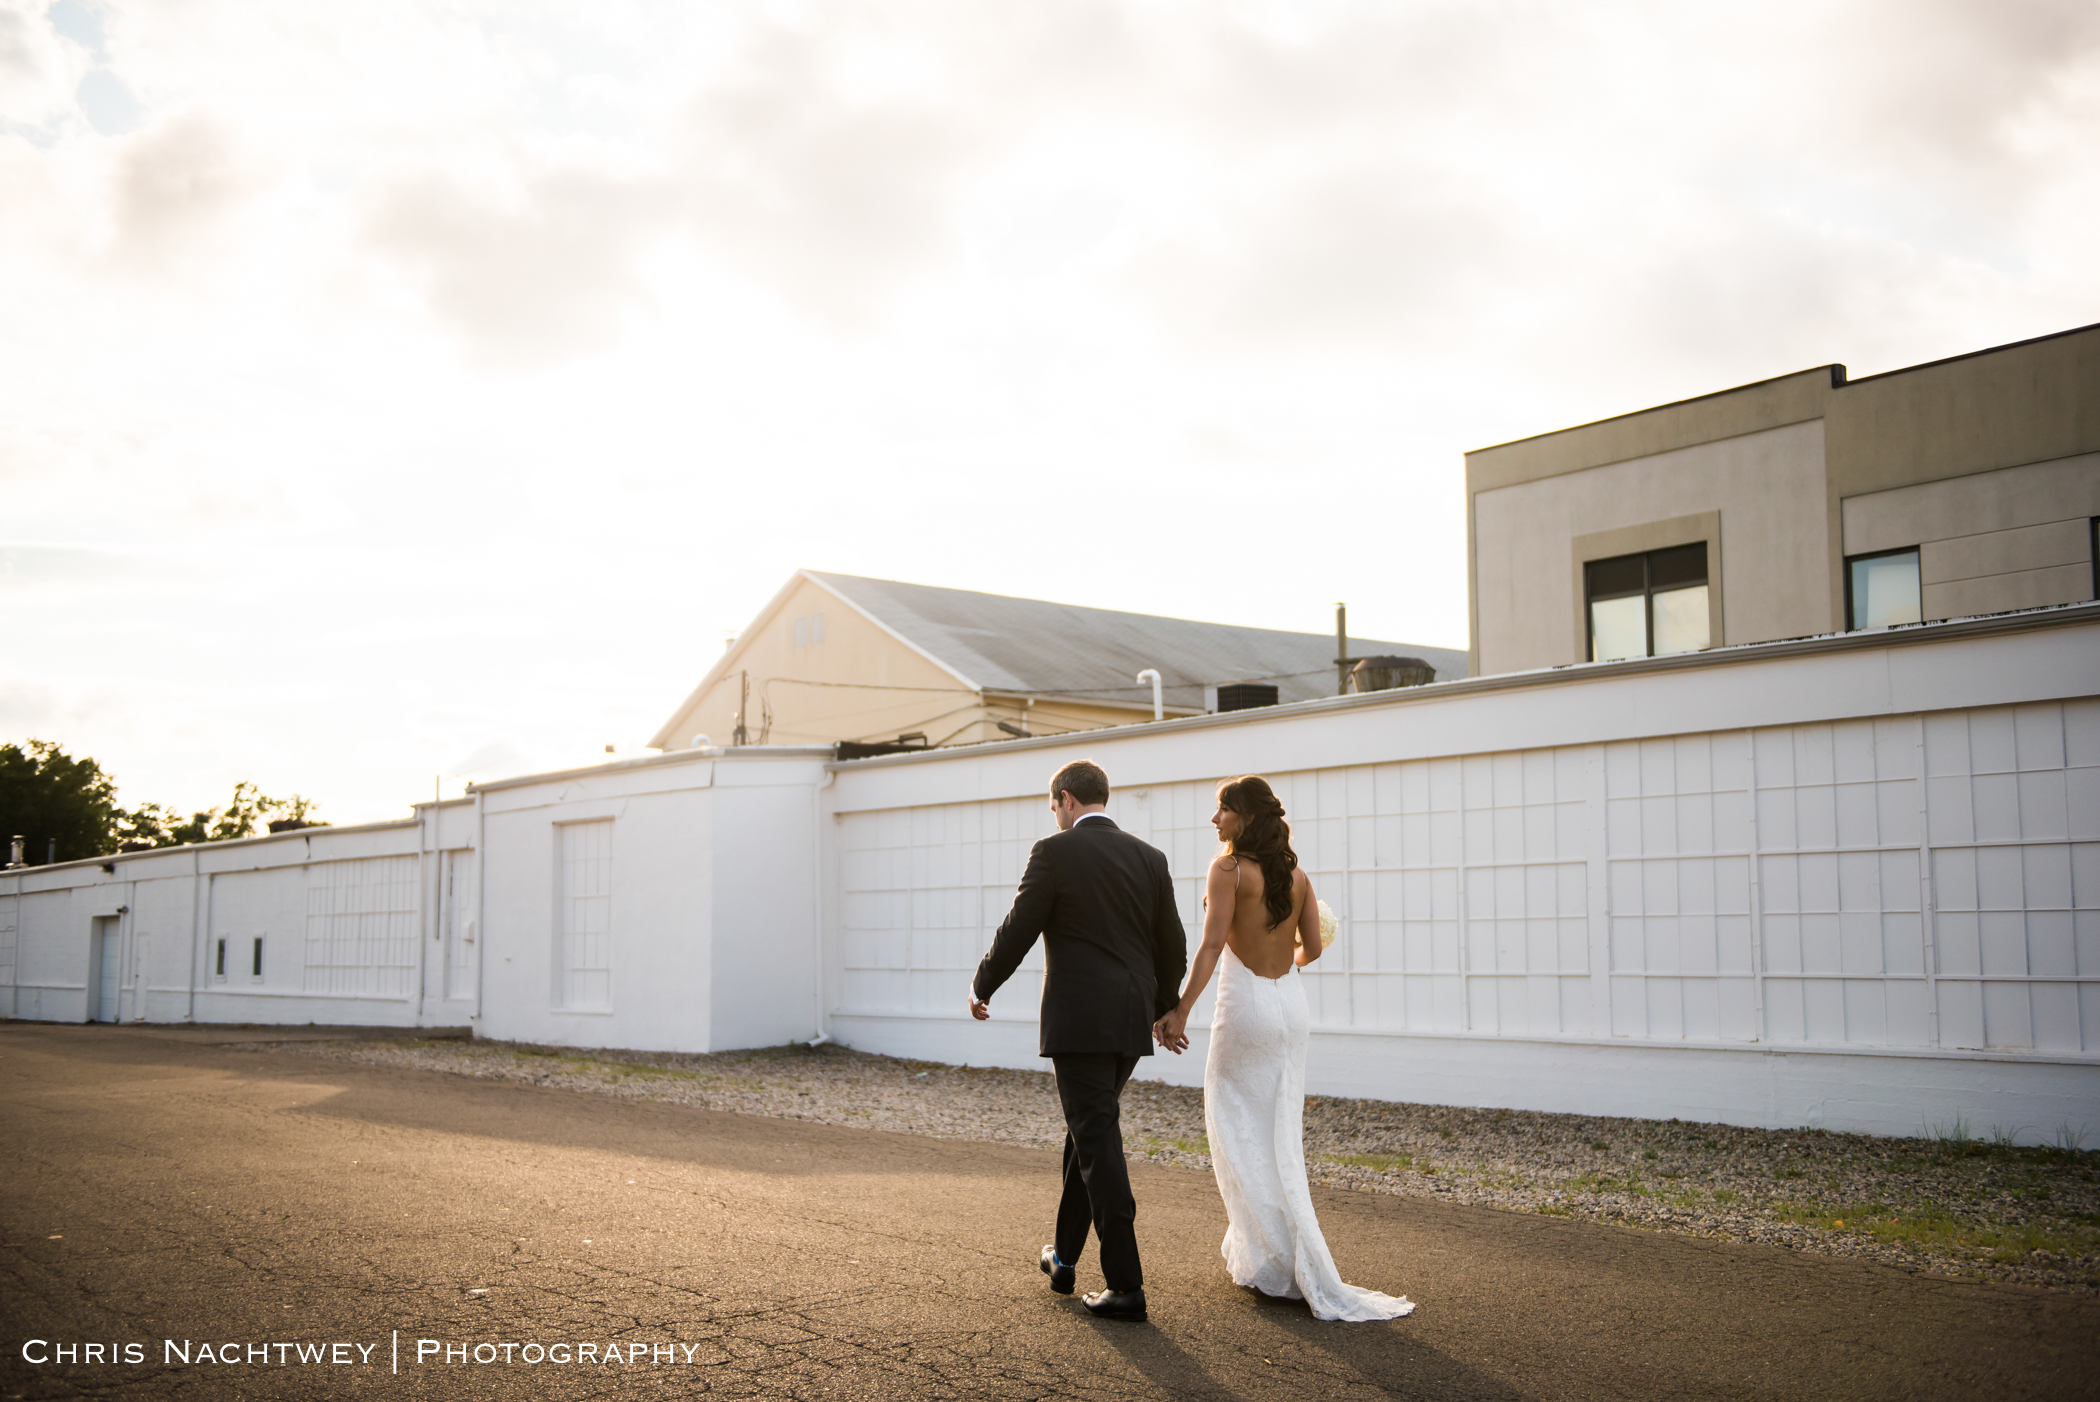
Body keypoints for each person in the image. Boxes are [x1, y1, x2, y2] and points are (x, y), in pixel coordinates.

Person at [1152, 775, 1414, 1321]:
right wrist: (1281, 962)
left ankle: (1273, 1259)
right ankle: (1291, 1254)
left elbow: (1210, 945)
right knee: (1279, 1134)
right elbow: (1312, 950)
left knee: (1233, 1125)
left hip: (1245, 1006)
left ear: (1244, 817)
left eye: (1222, 810)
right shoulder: (1296, 875)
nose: (1214, 819)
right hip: (1291, 1009)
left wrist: (1181, 1009)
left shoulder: (1227, 870)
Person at [970, 759, 1188, 1323]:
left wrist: (982, 985)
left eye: (1054, 807)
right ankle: (1064, 1259)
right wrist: (1167, 1007)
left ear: (1066, 800)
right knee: (1086, 1135)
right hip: (1131, 1019)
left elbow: (1019, 927)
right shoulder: (1150, 858)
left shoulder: (1054, 852)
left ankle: (1126, 1285)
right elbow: (1173, 942)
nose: (1055, 816)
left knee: (1097, 1140)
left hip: (1080, 1020)